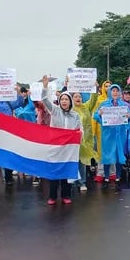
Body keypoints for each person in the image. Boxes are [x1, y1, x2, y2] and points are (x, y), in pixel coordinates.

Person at [40, 75, 82, 205]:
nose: (64, 101)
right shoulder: (55, 111)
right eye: (62, 99)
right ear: (59, 101)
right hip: (56, 147)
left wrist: (78, 135)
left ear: (70, 102)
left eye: (66, 99)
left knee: (66, 172)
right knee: (54, 171)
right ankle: (52, 196)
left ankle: (66, 195)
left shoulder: (75, 115)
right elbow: (44, 100)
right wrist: (45, 87)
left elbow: (79, 130)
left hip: (69, 149)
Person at [93, 84, 130, 188]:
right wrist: (100, 114)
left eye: (117, 91)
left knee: (119, 154)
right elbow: (95, 116)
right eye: (113, 91)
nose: (115, 93)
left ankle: (118, 176)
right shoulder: (104, 104)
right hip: (107, 134)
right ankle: (106, 177)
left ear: (120, 93)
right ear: (109, 92)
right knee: (107, 155)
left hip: (120, 133)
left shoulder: (125, 105)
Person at [71, 91, 99, 192]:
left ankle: (82, 182)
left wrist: (94, 88)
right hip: (72, 140)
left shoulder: (86, 107)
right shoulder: (70, 109)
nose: (78, 98)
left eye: (79, 96)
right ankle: (73, 181)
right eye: (75, 96)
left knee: (82, 161)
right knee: (72, 161)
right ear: (72, 99)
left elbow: (93, 99)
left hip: (84, 140)